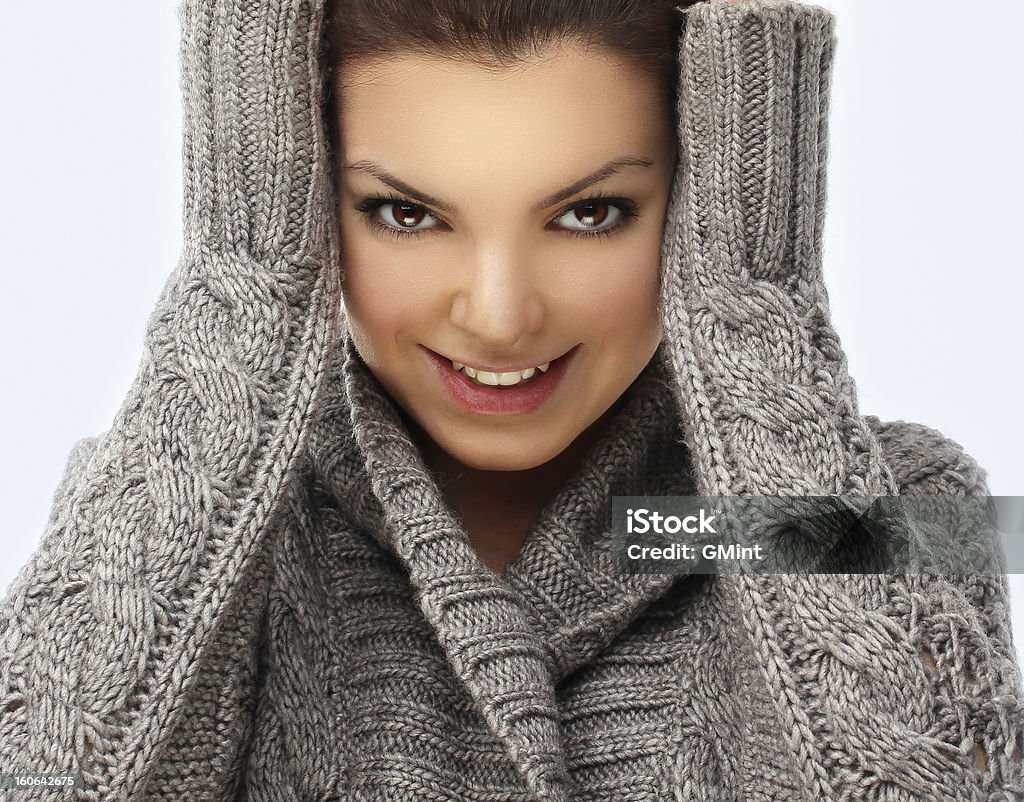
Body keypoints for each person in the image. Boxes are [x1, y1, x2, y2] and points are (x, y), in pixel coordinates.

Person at [0, 0, 1021, 799]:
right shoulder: (170, 514)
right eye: (404, 213)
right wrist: (242, 276)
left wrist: (755, 298)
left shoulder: (916, 499)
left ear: (703, 203)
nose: (497, 315)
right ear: (306, 202)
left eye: (589, 213)